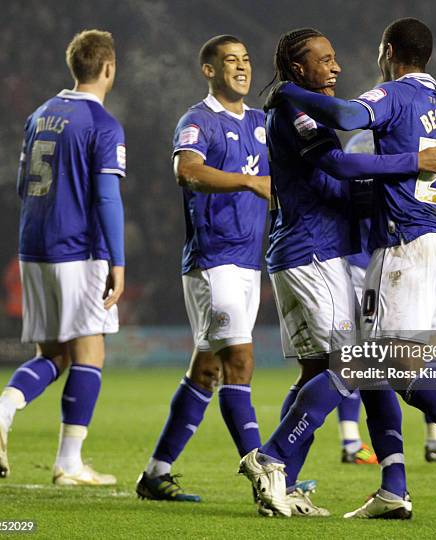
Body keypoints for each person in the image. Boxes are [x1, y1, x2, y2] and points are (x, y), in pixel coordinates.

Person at [249, 18, 436, 521]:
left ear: (388, 51)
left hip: (401, 246)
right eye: (327, 58)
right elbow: (351, 171)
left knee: (365, 365)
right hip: (433, 243)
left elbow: (346, 119)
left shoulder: (393, 95)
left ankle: (272, 457)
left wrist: (288, 94)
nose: (339, 66)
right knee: (390, 371)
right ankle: (397, 486)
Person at [238, 27, 436, 518]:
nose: (336, 68)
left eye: (336, 59)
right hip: (312, 255)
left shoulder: (303, 107)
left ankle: (285, 484)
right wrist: (410, 162)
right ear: (298, 68)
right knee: (352, 369)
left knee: (324, 371)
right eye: (325, 60)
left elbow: (336, 180)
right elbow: (336, 164)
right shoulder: (295, 108)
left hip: (303, 252)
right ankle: (270, 456)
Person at [0, 30, 126, 486]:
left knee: (54, 354)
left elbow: (23, 185)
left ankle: (7, 413)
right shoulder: (102, 124)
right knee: (90, 352)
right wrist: (117, 261)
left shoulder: (39, 114)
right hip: (78, 249)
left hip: (34, 245)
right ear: (108, 68)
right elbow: (106, 198)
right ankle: (66, 460)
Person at [135, 35, 272, 504]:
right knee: (240, 361)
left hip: (249, 262)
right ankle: (263, 475)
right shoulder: (198, 120)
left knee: (206, 368)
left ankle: (156, 473)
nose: (241, 67)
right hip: (213, 262)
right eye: (230, 61)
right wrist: (250, 182)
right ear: (209, 70)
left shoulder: (261, 122)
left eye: (246, 60)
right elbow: (187, 171)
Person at [345, 130, 436, 464]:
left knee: (423, 343)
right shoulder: (388, 146)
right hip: (381, 258)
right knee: (367, 357)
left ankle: (434, 439)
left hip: (409, 257)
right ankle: (353, 442)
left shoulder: (370, 144)